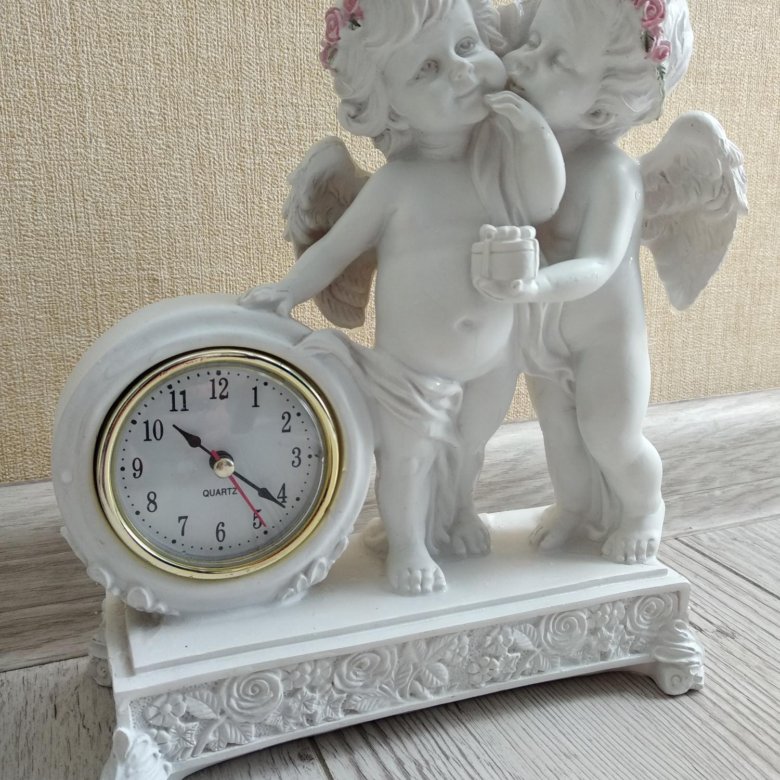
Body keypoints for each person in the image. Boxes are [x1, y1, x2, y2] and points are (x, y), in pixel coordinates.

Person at [241, 0, 565, 594]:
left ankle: (458, 511)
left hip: (496, 355)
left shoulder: (497, 163)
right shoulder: (398, 183)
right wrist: (286, 292)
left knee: (470, 448)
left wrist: (534, 130)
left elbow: (545, 201)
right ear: (389, 106)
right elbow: (335, 250)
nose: (462, 71)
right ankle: (409, 545)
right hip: (413, 369)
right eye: (428, 70)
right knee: (409, 459)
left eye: (467, 47)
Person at [484, 0, 694, 563]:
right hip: (545, 335)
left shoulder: (613, 174)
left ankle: (645, 509)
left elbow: (599, 265)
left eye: (555, 59)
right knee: (557, 430)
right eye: (532, 43)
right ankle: (574, 508)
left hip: (605, 340)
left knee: (610, 435)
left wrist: (535, 286)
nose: (522, 61)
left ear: (601, 109)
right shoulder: (523, 155)